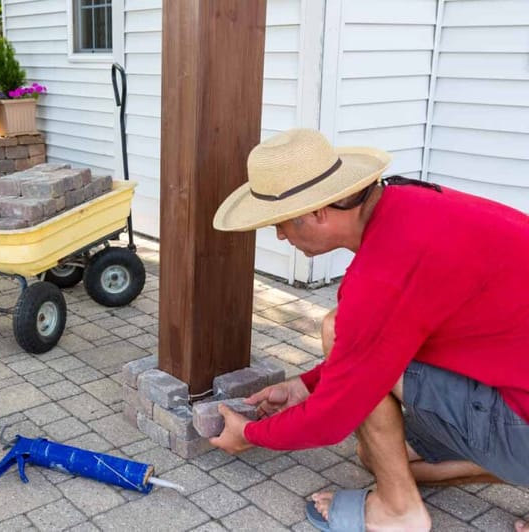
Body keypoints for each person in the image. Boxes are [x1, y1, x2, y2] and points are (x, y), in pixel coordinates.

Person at [209, 128, 529, 532]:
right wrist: (304, 386)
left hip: (521, 420)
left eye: (282, 222)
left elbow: (333, 418)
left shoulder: (384, 273)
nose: (280, 235)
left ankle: (399, 512)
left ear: (317, 212)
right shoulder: (412, 203)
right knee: (378, 456)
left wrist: (250, 434)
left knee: (337, 328)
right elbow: (382, 340)